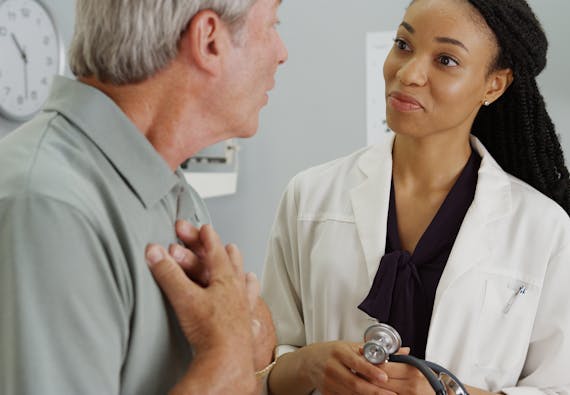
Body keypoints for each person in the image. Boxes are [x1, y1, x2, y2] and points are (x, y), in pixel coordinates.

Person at [261, 0, 570, 394]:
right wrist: (307, 366)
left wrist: (449, 391)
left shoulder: (544, 228)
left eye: (445, 59)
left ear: (494, 84)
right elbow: (261, 365)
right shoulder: (309, 197)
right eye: (403, 45)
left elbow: (559, 386)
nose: (408, 73)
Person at [0, 0, 287, 394]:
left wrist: (246, 340)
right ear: (209, 40)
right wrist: (226, 362)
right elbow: (229, 365)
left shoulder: (177, 195)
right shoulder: (47, 205)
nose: (281, 52)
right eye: (273, 25)